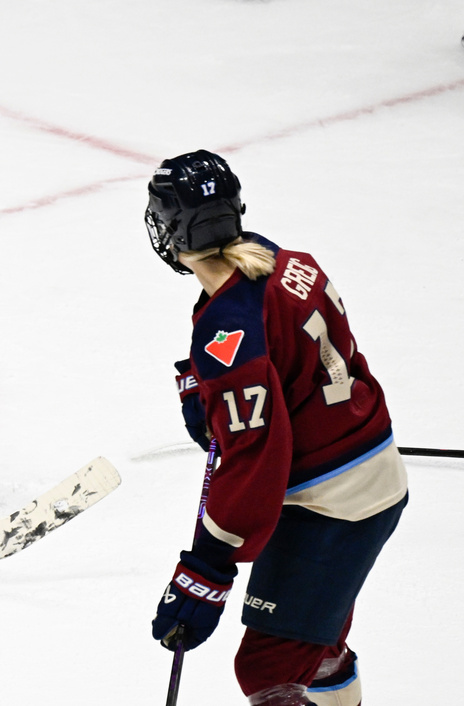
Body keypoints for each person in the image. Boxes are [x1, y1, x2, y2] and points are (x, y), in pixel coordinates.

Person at [144, 150, 407, 705]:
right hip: (367, 465)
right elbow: (290, 355)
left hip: (335, 502)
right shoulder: (285, 260)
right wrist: (212, 389)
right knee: (315, 642)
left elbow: (256, 459)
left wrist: (207, 567)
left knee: (268, 670)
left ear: (171, 227)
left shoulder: (231, 332)